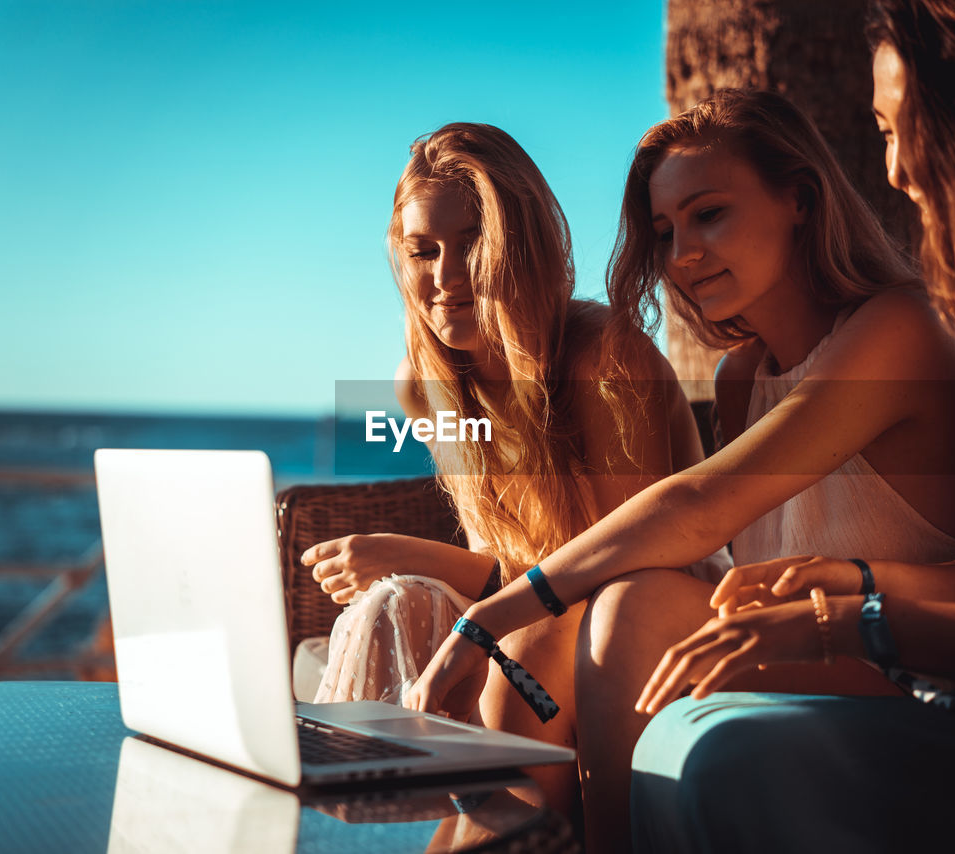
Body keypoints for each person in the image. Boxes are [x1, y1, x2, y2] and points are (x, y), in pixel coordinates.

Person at [406, 89, 955, 852]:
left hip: (917, 663)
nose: (683, 254)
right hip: (803, 647)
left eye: (710, 214)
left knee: (619, 614)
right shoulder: (742, 378)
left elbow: (699, 505)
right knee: (540, 652)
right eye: (665, 231)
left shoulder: (898, 328)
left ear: (798, 200)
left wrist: (483, 617)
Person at [626, 2, 955, 850]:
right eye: (880, 133)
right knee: (685, 727)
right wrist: (849, 579)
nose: (897, 168)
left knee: (724, 752)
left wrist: (853, 623)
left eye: (898, 126)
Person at [299, 122, 723, 815]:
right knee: (395, 605)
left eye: (472, 244)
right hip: (529, 613)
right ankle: (351, 819)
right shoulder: (425, 384)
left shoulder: (606, 358)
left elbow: (614, 574)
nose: (446, 277)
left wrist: (408, 553)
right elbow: (503, 559)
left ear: (520, 243)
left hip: (639, 621)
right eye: (423, 250)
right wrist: (416, 574)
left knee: (496, 632)